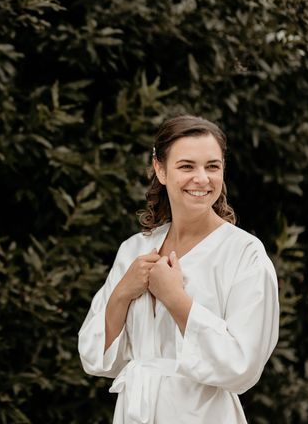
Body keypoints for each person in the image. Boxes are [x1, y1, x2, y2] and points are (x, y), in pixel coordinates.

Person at [78, 115, 279, 424]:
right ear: (160, 169)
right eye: (187, 166)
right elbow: (96, 358)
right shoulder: (134, 250)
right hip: (136, 413)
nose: (201, 178)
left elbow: (243, 365)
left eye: (212, 166)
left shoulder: (244, 254)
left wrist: (176, 299)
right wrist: (120, 294)